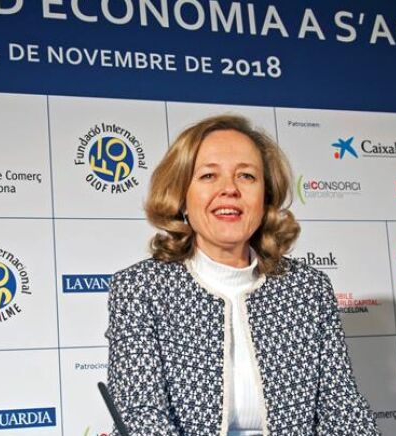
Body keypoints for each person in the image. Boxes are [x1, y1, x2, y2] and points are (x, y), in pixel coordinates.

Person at [105, 114, 379, 436]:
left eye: (246, 176)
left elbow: (342, 407)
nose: (229, 190)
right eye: (208, 175)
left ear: (265, 198)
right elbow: (139, 414)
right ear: (181, 198)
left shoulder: (309, 289)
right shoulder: (140, 288)